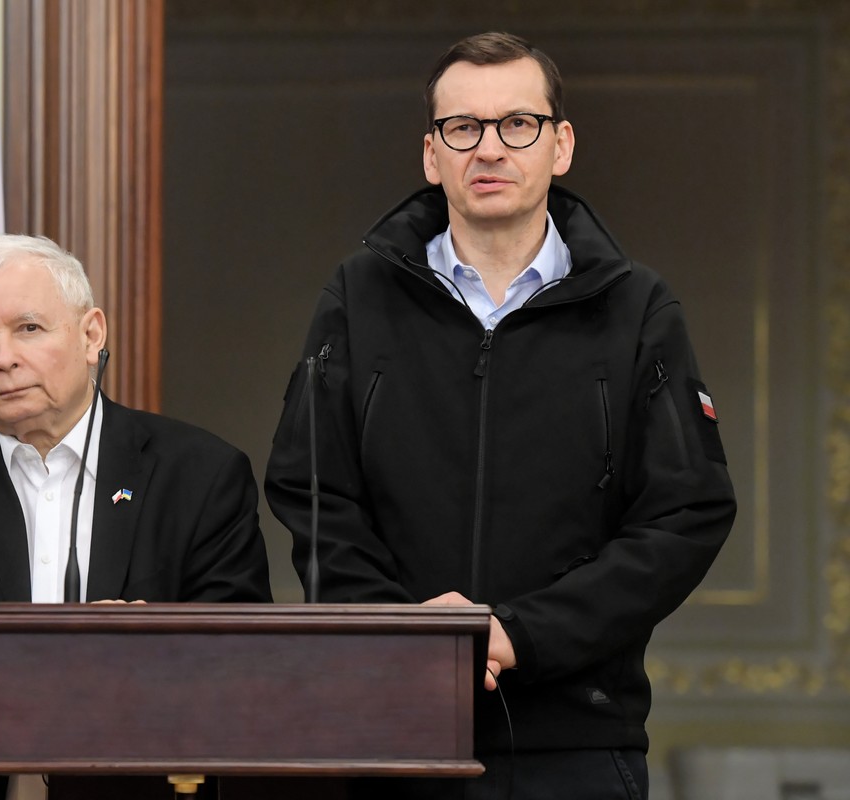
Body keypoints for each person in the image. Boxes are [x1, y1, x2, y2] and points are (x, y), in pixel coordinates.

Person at [265, 31, 735, 800]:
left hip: (577, 740)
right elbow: (311, 493)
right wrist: (410, 632)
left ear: (561, 145)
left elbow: (687, 514)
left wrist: (521, 630)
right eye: (463, 128)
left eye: (517, 124)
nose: (489, 148)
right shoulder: (358, 296)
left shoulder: (639, 308)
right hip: (394, 730)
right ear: (431, 154)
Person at [0, 234, 272, 800]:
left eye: (28, 328)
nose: (4, 358)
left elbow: (243, 654)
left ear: (91, 334)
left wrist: (151, 646)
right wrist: (65, 655)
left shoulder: (199, 473)